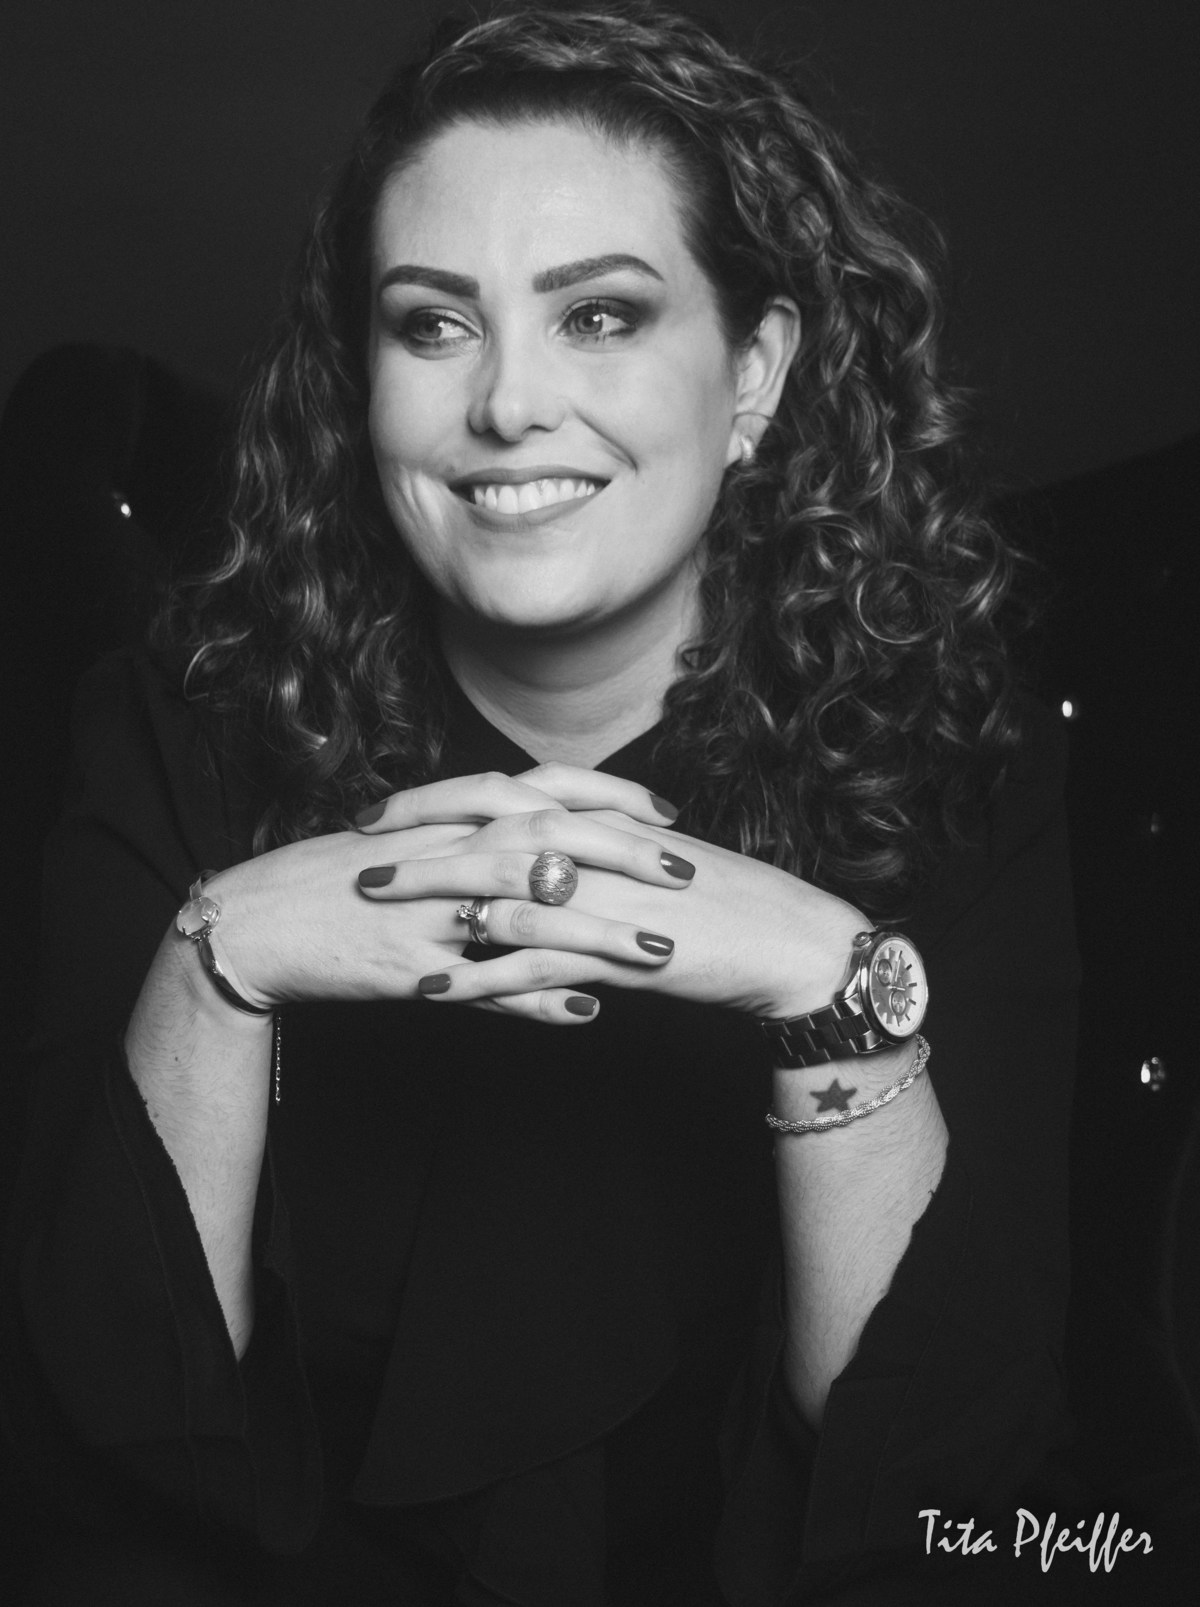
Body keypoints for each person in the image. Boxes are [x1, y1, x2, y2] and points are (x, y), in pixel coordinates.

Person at [3, 3, 1080, 1602]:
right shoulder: (179, 733)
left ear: (755, 375)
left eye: (599, 316)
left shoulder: (949, 763)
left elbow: (934, 1491)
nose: (508, 402)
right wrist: (216, 958)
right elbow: (95, 1448)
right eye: (435, 324)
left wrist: (833, 985)